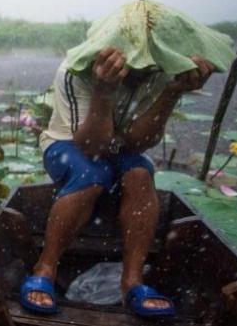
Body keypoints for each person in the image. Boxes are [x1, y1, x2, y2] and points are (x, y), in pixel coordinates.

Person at [23, 46, 215, 318]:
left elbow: (140, 142)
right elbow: (91, 146)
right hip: (66, 141)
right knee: (92, 174)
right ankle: (45, 267)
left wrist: (172, 91)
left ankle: (133, 281)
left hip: (122, 143)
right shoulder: (74, 70)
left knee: (140, 173)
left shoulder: (161, 70)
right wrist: (103, 92)